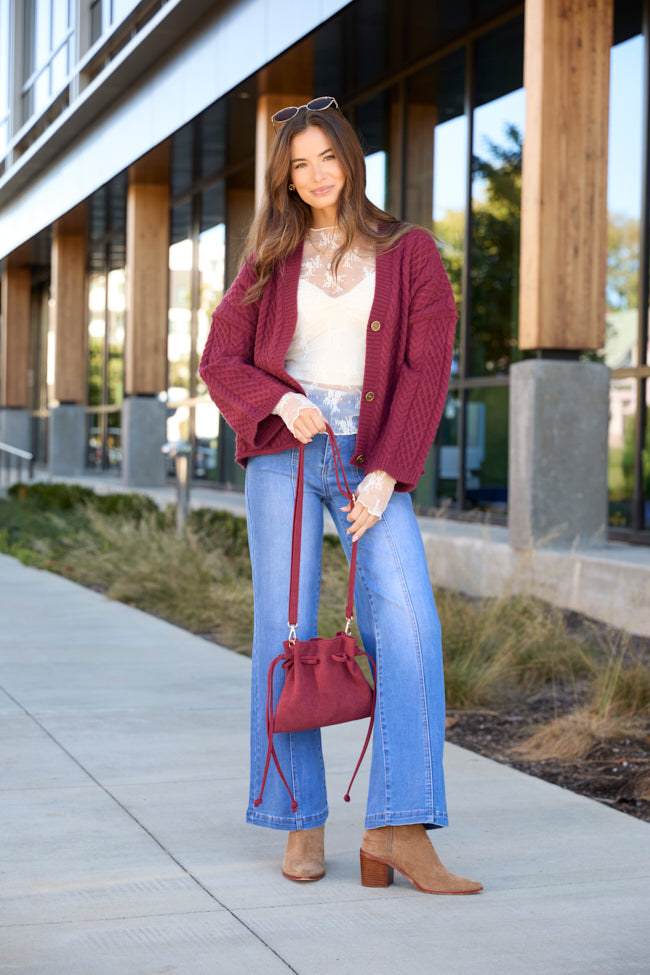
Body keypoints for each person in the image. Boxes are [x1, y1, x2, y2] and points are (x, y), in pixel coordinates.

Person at [199, 96, 482, 895]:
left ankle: (399, 827)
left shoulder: (409, 250)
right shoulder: (268, 257)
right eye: (300, 164)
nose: (317, 174)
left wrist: (389, 471)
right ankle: (299, 817)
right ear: (286, 178)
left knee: (411, 626)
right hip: (286, 455)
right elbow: (220, 360)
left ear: (351, 160)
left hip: (372, 458)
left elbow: (427, 366)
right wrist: (277, 400)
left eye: (327, 157)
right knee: (285, 633)